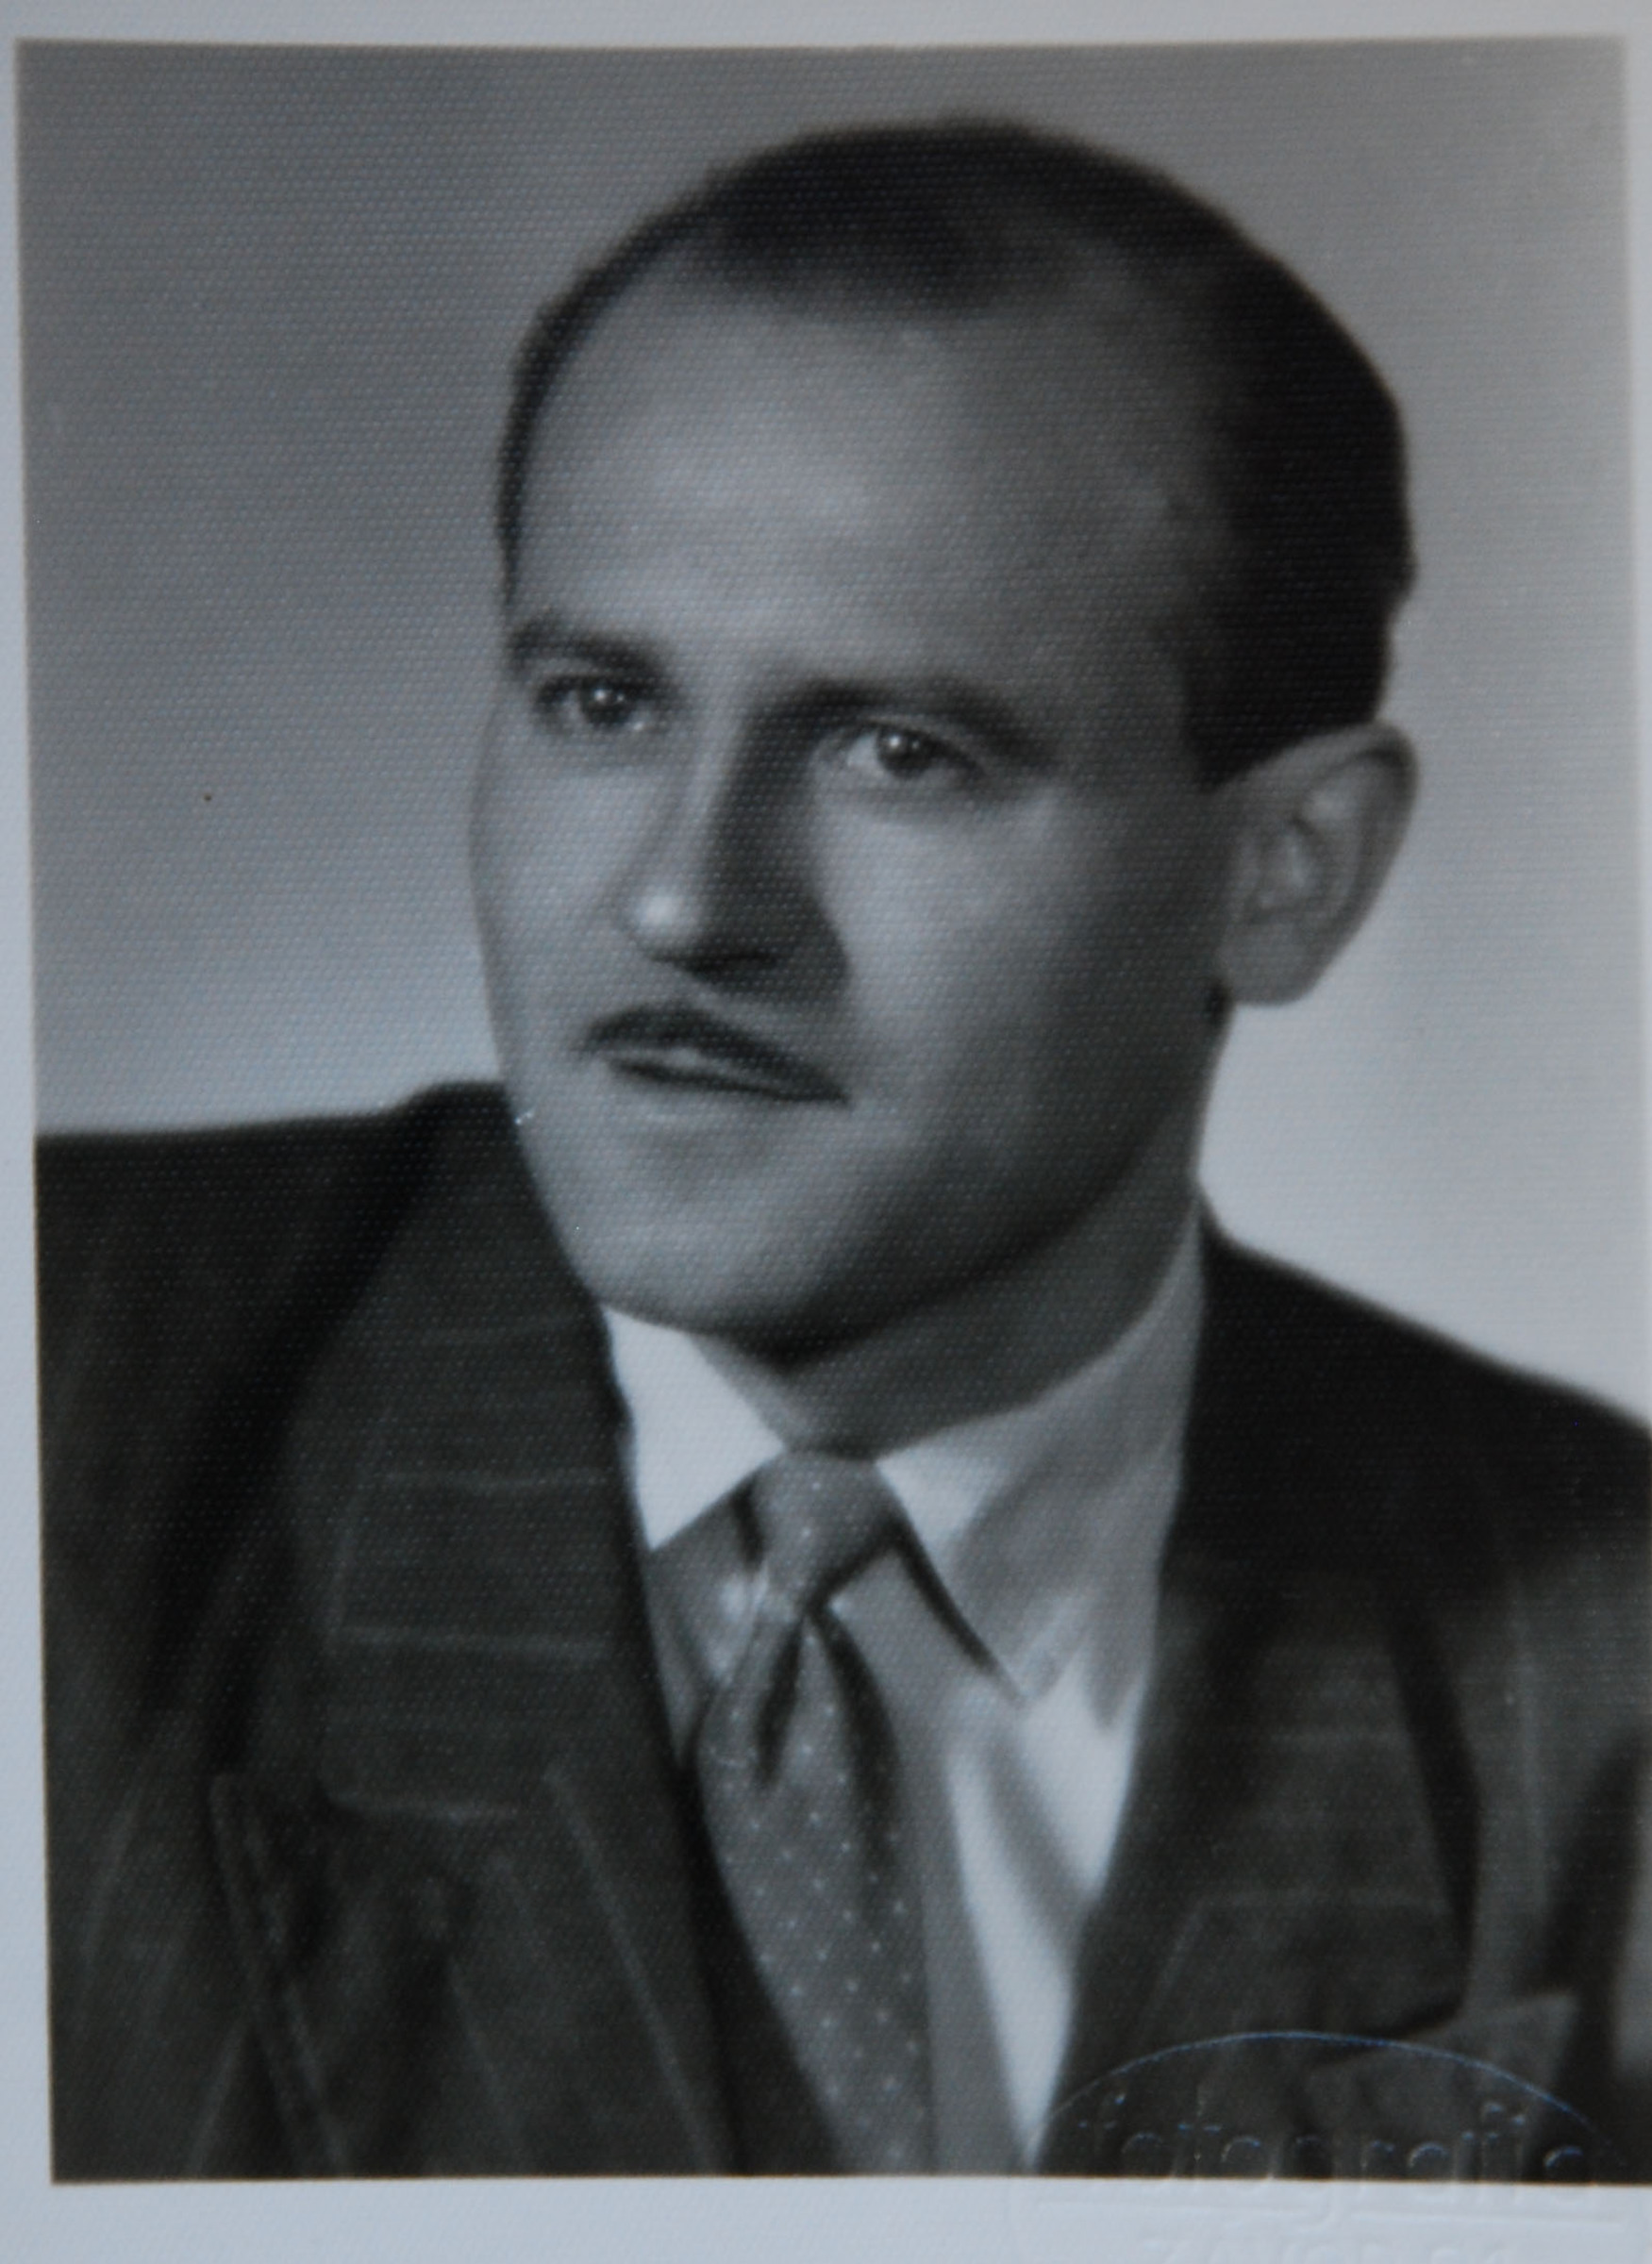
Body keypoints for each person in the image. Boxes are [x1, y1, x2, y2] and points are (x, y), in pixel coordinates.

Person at [38, 120, 1649, 2182]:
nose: (684, 902)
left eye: (901, 751)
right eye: (602, 702)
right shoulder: (63, 1416)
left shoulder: (1601, 1663)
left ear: (1287, 872)